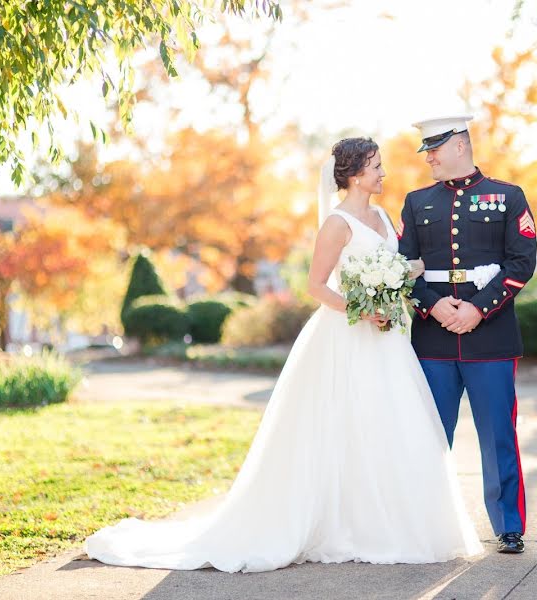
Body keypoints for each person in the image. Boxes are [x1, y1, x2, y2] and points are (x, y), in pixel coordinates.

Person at [84, 137, 481, 573]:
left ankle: (385, 523)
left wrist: (410, 279)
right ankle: (343, 525)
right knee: (344, 423)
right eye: (375, 167)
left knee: (388, 423)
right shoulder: (337, 223)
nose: (383, 173)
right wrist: (363, 310)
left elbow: (397, 265)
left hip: (388, 339)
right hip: (350, 335)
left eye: (381, 166)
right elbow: (316, 286)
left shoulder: (385, 216)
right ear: (352, 174)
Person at [397, 115, 537, 553]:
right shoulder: (417, 202)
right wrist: (432, 304)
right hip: (433, 339)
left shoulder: (508, 196)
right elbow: (400, 267)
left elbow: (521, 263)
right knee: (431, 434)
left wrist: (478, 309)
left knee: (498, 434)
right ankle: (426, 523)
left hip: (490, 337)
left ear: (460, 145)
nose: (429, 158)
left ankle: (508, 526)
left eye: (435, 149)